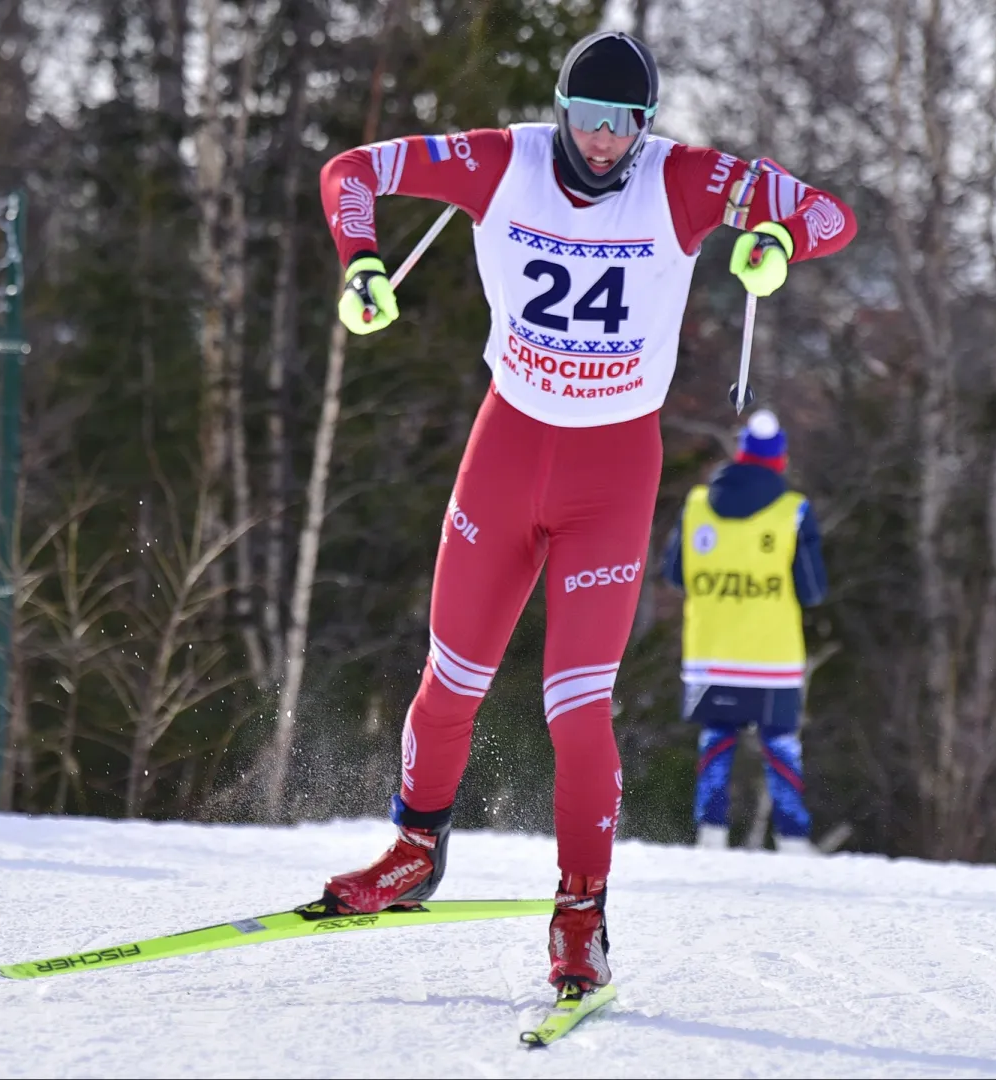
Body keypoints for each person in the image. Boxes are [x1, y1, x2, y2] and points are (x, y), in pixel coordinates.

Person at [313, 30, 856, 992]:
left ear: (647, 127)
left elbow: (826, 214)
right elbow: (353, 171)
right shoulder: (501, 159)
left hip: (612, 470)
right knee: (451, 678)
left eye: (626, 125)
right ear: (560, 108)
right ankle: (414, 850)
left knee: (576, 707)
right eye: (589, 118)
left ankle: (580, 913)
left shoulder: (683, 179)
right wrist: (362, 263)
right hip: (507, 448)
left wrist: (775, 240)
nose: (604, 142)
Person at [660, 410, 827, 855]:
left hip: (711, 649)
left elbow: (674, 574)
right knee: (780, 743)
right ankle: (792, 837)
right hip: (771, 654)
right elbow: (812, 590)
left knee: (717, 737)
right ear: (780, 459)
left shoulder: (697, 506)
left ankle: (711, 832)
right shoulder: (793, 512)